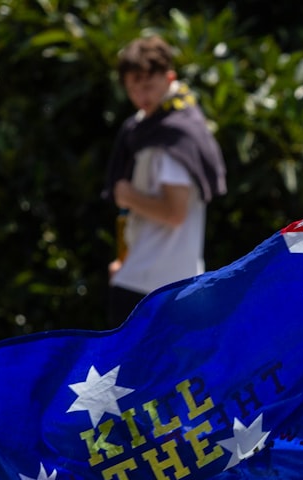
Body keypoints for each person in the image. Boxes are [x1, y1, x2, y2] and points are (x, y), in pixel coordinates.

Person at [104, 34, 227, 327]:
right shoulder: (157, 124)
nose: (141, 97)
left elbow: (174, 213)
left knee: (134, 374)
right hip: (174, 281)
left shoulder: (170, 138)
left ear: (169, 77)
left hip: (151, 288)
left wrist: (125, 194)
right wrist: (124, 261)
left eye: (148, 86)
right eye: (133, 88)